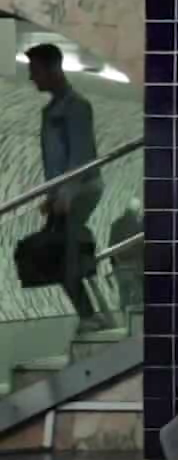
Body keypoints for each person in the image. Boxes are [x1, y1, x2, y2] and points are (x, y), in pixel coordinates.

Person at [26, 43, 109, 334]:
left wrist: (66, 194)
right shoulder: (50, 111)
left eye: (35, 70)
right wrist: (52, 196)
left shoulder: (76, 107)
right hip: (64, 192)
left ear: (54, 69)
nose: (31, 77)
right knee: (62, 252)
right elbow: (54, 161)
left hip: (82, 188)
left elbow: (81, 156)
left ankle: (90, 316)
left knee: (59, 252)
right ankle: (94, 314)